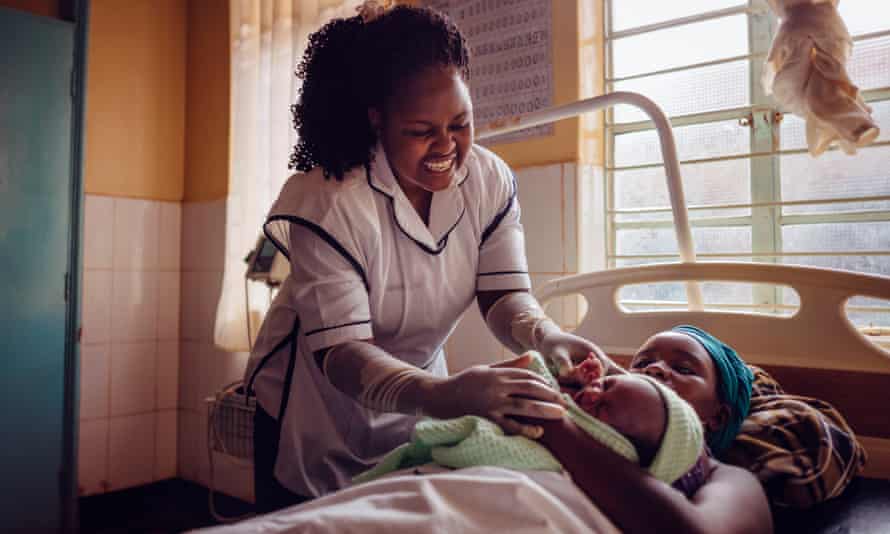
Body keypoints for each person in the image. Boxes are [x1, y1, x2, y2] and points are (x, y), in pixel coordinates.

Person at [243, 3, 606, 512]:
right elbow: (343, 354)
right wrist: (443, 394)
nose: (446, 146)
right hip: (313, 409)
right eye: (421, 131)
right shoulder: (328, 199)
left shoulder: (488, 180)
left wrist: (546, 336)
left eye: (461, 123)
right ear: (377, 119)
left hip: (416, 397)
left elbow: (503, 295)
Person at [534, 325, 772, 533]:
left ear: (718, 417)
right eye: (642, 363)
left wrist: (551, 425)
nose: (654, 369)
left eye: (684, 369)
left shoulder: (732, 480)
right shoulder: (579, 407)